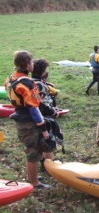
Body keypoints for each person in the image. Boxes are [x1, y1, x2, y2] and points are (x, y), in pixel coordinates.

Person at [4, 50, 53, 189]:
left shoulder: (10, 78)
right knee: (33, 152)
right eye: (31, 61)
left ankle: (33, 176)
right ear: (26, 65)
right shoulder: (27, 83)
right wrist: (44, 129)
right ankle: (34, 183)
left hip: (20, 118)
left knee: (31, 150)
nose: (33, 64)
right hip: (28, 121)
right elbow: (34, 109)